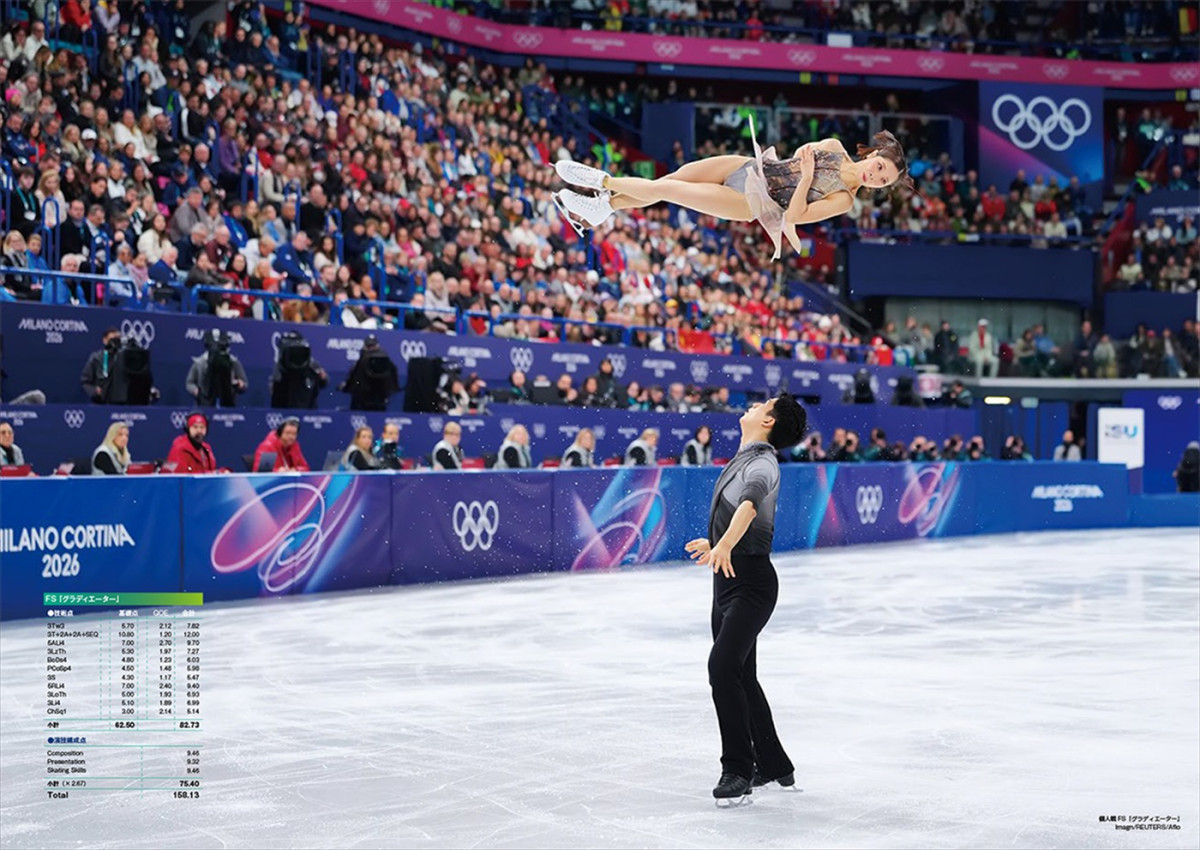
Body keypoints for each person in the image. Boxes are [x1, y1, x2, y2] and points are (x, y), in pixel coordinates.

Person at [683, 392, 806, 804]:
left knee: (721, 667)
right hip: (727, 580)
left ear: (768, 421)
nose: (752, 407)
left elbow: (750, 506)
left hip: (751, 584)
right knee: (741, 676)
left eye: (761, 405)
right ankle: (775, 765)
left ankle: (738, 769)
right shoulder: (744, 457)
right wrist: (717, 542)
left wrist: (725, 544)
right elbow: (738, 514)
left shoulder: (762, 463)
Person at [554, 127, 909, 260]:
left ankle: (601, 181)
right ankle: (605, 208)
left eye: (883, 181)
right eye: (880, 167)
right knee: (672, 179)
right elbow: (800, 154)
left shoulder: (845, 200)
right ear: (874, 154)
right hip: (751, 166)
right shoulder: (833, 146)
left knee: (667, 189)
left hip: (754, 201)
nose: (876, 177)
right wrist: (805, 157)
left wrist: (806, 179)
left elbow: (795, 216)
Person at [186, 330, 248, 407]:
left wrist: (240, 384)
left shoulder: (234, 362)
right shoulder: (199, 363)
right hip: (204, 402)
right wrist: (196, 391)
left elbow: (244, 384)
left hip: (228, 402)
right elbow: (189, 383)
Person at [340, 335, 400, 411]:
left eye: (373, 345)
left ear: (377, 345)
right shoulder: (386, 361)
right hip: (377, 400)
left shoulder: (363, 361)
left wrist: (346, 387)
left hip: (367, 401)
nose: (371, 348)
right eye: (369, 346)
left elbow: (354, 378)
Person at [79, 327, 122, 402]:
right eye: (111, 340)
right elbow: (86, 381)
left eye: (117, 340)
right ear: (104, 340)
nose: (114, 343)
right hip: (102, 402)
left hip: (124, 403)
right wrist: (95, 392)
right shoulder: (96, 358)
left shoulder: (126, 358)